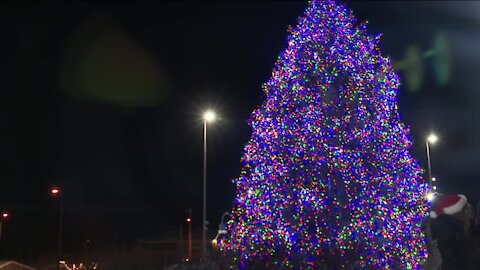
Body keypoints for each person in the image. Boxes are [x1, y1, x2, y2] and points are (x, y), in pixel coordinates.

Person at [429, 194, 480, 269]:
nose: (469, 216)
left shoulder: (451, 229)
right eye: (466, 211)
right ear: (459, 213)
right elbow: (453, 260)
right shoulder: (449, 232)